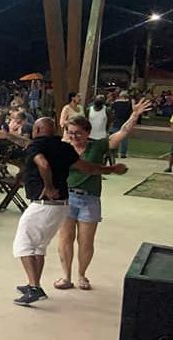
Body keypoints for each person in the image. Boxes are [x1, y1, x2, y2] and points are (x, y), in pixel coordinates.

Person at [10, 117, 127, 306]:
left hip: (43, 204)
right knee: (39, 246)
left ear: (38, 129)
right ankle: (35, 284)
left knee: (22, 245)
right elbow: (88, 168)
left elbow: (43, 164)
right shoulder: (65, 148)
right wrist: (112, 169)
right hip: (63, 205)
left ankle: (33, 288)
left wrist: (48, 186)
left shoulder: (37, 146)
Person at [55, 100, 151, 291]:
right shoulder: (63, 148)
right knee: (65, 238)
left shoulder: (98, 147)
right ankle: (66, 276)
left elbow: (122, 133)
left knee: (85, 241)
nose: (73, 137)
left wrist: (134, 115)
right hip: (66, 198)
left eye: (78, 133)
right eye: (70, 132)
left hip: (89, 199)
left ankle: (82, 274)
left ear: (87, 133)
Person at [110, 91, 133, 158]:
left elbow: (112, 111)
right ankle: (123, 153)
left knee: (116, 137)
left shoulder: (116, 103)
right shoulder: (129, 104)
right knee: (125, 139)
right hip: (126, 122)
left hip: (116, 121)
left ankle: (115, 153)